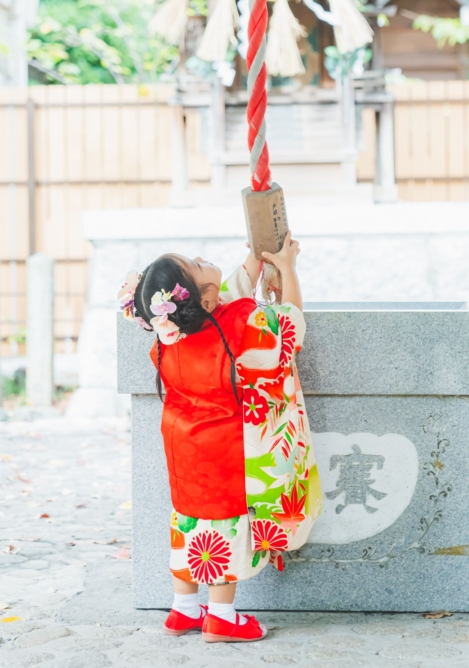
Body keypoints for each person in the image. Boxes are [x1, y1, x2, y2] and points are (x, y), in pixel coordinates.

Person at [117, 232, 322, 644]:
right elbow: (289, 327)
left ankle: (184, 610)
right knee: (220, 529)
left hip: (184, 446)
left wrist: (255, 259)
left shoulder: (170, 332)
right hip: (226, 449)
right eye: (194, 265)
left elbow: (223, 293)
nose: (198, 256)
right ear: (204, 300)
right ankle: (223, 617)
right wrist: (288, 270)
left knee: (189, 517)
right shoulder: (241, 326)